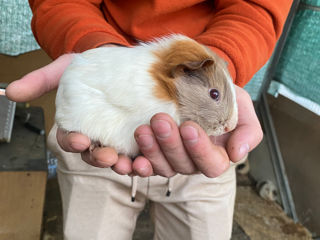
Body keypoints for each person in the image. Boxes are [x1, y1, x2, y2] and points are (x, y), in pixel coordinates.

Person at [6, 1, 292, 239]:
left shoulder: (198, 85)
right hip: (92, 157)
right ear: (179, 73)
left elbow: (257, 7)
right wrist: (92, 46)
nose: (227, 121)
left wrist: (222, 59)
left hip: (204, 160)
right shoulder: (150, 81)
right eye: (216, 94)